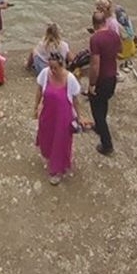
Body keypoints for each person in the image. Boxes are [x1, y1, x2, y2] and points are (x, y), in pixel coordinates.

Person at [34, 49, 90, 183]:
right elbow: (39, 90)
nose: (52, 70)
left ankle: (57, 170)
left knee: (61, 142)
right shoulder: (45, 73)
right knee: (46, 136)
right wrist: (36, 107)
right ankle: (50, 158)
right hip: (48, 113)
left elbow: (75, 100)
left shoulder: (70, 79)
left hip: (63, 116)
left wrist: (80, 116)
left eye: (55, 68)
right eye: (51, 67)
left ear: (62, 66)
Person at [88, 8, 121, 155]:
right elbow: (119, 51)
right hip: (113, 76)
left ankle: (107, 144)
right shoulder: (114, 34)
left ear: (94, 24)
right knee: (104, 102)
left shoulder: (95, 39)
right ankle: (99, 127)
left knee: (97, 110)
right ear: (105, 22)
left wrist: (92, 84)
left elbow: (95, 65)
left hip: (102, 78)